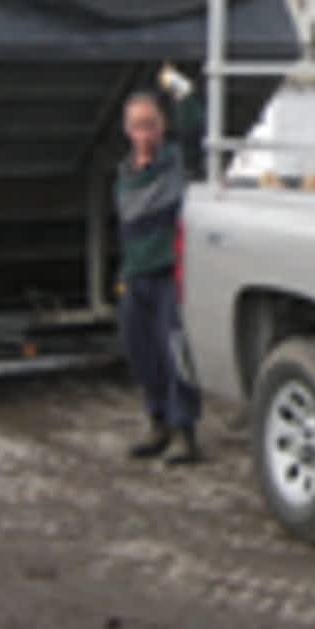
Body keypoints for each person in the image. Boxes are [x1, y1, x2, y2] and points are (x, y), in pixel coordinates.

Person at [116, 82, 202, 466]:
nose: (144, 134)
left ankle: (185, 431)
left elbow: (197, 131)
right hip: (137, 275)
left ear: (162, 126)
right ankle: (158, 423)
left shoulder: (175, 163)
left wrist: (183, 92)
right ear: (127, 129)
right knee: (142, 351)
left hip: (170, 273)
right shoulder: (123, 173)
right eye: (137, 126)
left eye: (150, 125)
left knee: (176, 352)